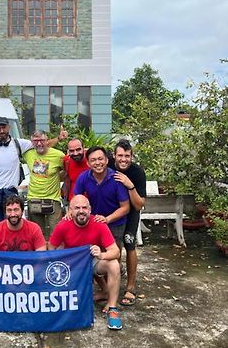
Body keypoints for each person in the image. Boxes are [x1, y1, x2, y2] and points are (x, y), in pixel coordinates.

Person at [48, 195, 123, 330]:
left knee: (114, 265)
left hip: (92, 261)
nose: (81, 211)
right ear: (70, 210)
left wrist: (101, 254)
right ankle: (99, 292)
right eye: (77, 208)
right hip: (72, 266)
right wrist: (61, 260)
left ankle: (112, 308)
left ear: (90, 210)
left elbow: (115, 251)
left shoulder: (99, 224)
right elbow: (50, 249)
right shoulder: (63, 225)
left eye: (84, 207)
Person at [0, 118, 67, 228]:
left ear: (9, 127)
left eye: (4, 127)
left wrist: (59, 138)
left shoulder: (19, 144)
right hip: (2, 193)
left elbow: (44, 144)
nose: (1, 130)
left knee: (53, 232)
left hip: (19, 192)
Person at [112, 139, 146, 306]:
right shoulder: (107, 165)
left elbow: (140, 205)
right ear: (113, 156)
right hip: (114, 213)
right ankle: (112, 286)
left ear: (132, 157)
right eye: (120, 155)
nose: (123, 159)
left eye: (127, 156)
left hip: (131, 213)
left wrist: (130, 185)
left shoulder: (137, 173)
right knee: (114, 248)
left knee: (129, 244)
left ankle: (130, 287)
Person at [73, 146, 130, 247]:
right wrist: (70, 212)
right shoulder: (83, 177)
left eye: (100, 159)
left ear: (107, 160)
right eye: (93, 160)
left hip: (115, 222)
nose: (98, 163)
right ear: (88, 163)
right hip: (93, 222)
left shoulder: (117, 178)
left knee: (115, 255)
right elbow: (76, 199)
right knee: (93, 254)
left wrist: (107, 219)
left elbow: (125, 208)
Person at [23, 129, 65, 239]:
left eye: (42, 140)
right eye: (35, 141)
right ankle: (40, 256)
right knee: (37, 235)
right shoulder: (28, 154)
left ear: (47, 140)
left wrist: (57, 179)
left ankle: (56, 256)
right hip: (34, 199)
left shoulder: (58, 155)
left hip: (53, 199)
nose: (39, 143)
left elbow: (67, 172)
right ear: (31, 142)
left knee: (56, 234)